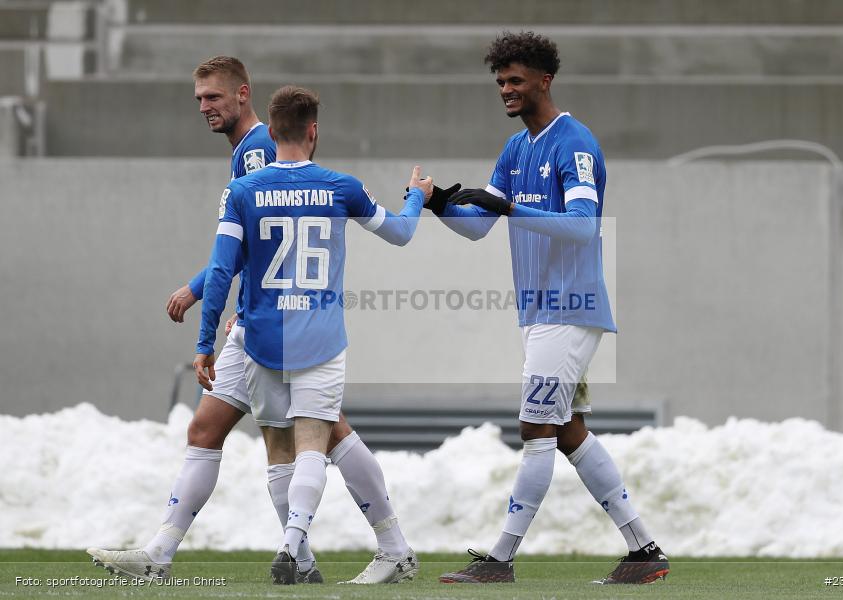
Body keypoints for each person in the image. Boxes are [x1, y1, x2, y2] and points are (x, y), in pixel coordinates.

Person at [88, 58, 417, 585]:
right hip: (285, 325)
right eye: (199, 99)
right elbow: (389, 231)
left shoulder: (258, 156)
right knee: (220, 429)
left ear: (245, 97)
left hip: (268, 324)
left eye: (213, 98)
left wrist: (198, 293)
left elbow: (238, 252)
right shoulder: (298, 169)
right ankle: (178, 554)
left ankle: (369, 548)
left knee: (314, 436)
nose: (204, 107)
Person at [427, 32, 669, 585]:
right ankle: (643, 549)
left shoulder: (574, 143)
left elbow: (583, 227)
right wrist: (440, 200)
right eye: (500, 83)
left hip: (571, 307)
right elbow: (481, 226)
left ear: (545, 80)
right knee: (566, 430)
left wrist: (512, 206)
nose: (506, 91)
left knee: (535, 427)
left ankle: (501, 558)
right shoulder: (516, 149)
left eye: (515, 81)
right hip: (541, 311)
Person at [195, 84, 431, 586]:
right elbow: (401, 232)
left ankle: (301, 553)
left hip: (262, 336)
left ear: (271, 131)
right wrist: (417, 197)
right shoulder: (341, 186)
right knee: (313, 443)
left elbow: (220, 272)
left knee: (284, 446)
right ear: (313, 130)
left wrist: (203, 341)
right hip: (321, 338)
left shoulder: (242, 191)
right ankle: (301, 545)